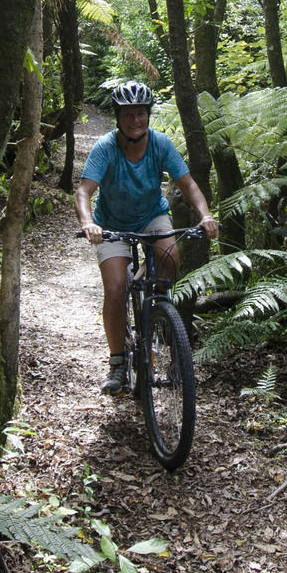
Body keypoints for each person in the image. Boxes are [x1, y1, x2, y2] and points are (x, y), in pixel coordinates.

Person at [75, 81, 218, 394]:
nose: (136, 120)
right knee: (114, 289)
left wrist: (205, 216)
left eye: (141, 113)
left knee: (169, 261)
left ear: (148, 115)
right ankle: (117, 363)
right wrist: (89, 224)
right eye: (129, 114)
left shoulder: (160, 144)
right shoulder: (105, 148)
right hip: (111, 224)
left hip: (152, 217)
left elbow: (189, 185)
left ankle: (156, 318)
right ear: (119, 117)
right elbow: (84, 192)